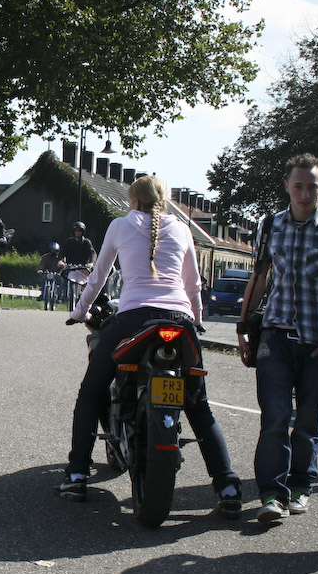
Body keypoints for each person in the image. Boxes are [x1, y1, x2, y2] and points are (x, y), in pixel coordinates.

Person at [62, 175, 243, 517]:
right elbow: (193, 284)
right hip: (180, 321)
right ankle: (227, 484)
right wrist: (198, 319)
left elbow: (98, 277)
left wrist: (80, 311)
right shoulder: (183, 229)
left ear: (133, 201)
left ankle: (76, 474)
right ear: (165, 201)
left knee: (91, 391)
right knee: (198, 404)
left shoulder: (119, 225)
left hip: (133, 319)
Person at [237, 154, 318, 523]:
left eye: (311, 186)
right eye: (298, 186)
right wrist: (244, 331)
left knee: (308, 420)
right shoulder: (270, 225)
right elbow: (259, 280)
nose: (305, 194)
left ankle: (300, 486)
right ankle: (272, 495)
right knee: (274, 417)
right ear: (288, 187)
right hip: (276, 336)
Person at [62, 222, 97, 315]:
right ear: (73, 231)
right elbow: (62, 254)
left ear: (83, 232)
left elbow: (92, 253)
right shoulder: (68, 242)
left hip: (84, 267)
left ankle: (86, 297)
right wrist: (61, 261)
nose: (78, 232)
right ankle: (63, 296)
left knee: (88, 281)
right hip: (71, 267)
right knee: (63, 277)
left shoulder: (86, 242)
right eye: (76, 230)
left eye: (80, 231)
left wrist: (91, 263)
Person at [38, 242, 64, 309]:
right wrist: (41, 270)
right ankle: (42, 294)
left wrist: (62, 266)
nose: (54, 252)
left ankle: (59, 297)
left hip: (57, 274)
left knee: (61, 281)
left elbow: (63, 265)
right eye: (52, 250)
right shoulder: (45, 257)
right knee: (43, 278)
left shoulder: (60, 258)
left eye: (55, 250)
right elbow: (42, 265)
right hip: (48, 273)